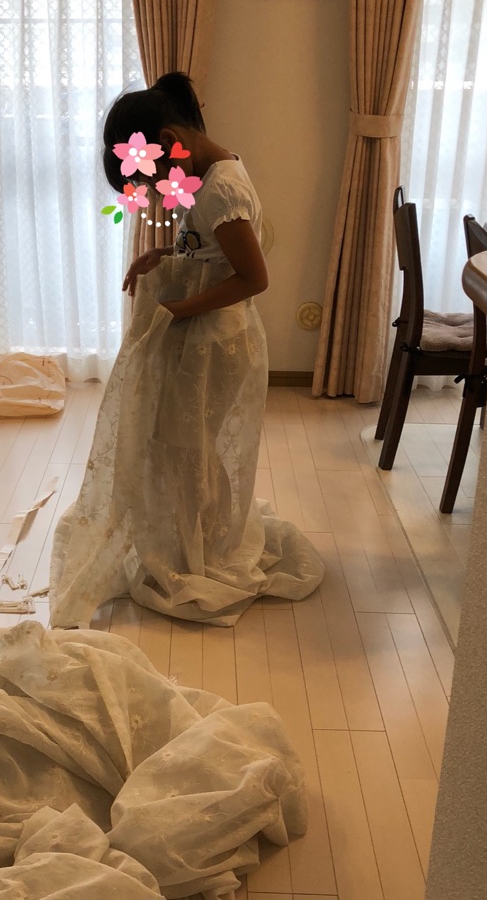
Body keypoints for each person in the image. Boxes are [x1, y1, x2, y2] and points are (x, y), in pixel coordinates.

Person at [49, 72, 324, 628]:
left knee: (190, 446)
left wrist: (179, 310)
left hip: (219, 341)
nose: (157, 189)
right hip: (205, 335)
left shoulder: (222, 188)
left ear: (172, 139)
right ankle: (192, 539)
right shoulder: (208, 173)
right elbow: (208, 252)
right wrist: (162, 257)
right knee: (179, 443)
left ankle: (204, 549)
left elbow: (253, 277)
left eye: (153, 175)